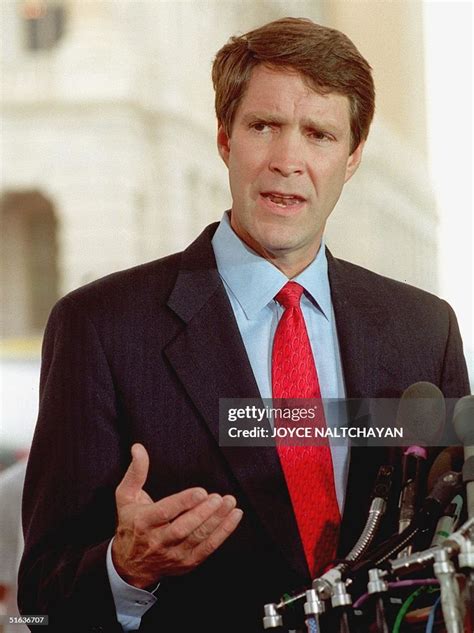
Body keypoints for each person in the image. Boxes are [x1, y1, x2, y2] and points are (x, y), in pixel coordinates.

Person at [18, 17, 470, 633]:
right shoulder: (100, 328)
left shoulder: (425, 331)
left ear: (353, 156)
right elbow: (41, 598)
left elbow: (453, 541)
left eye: (318, 134)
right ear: (225, 138)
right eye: (265, 127)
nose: (289, 160)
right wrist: (126, 571)